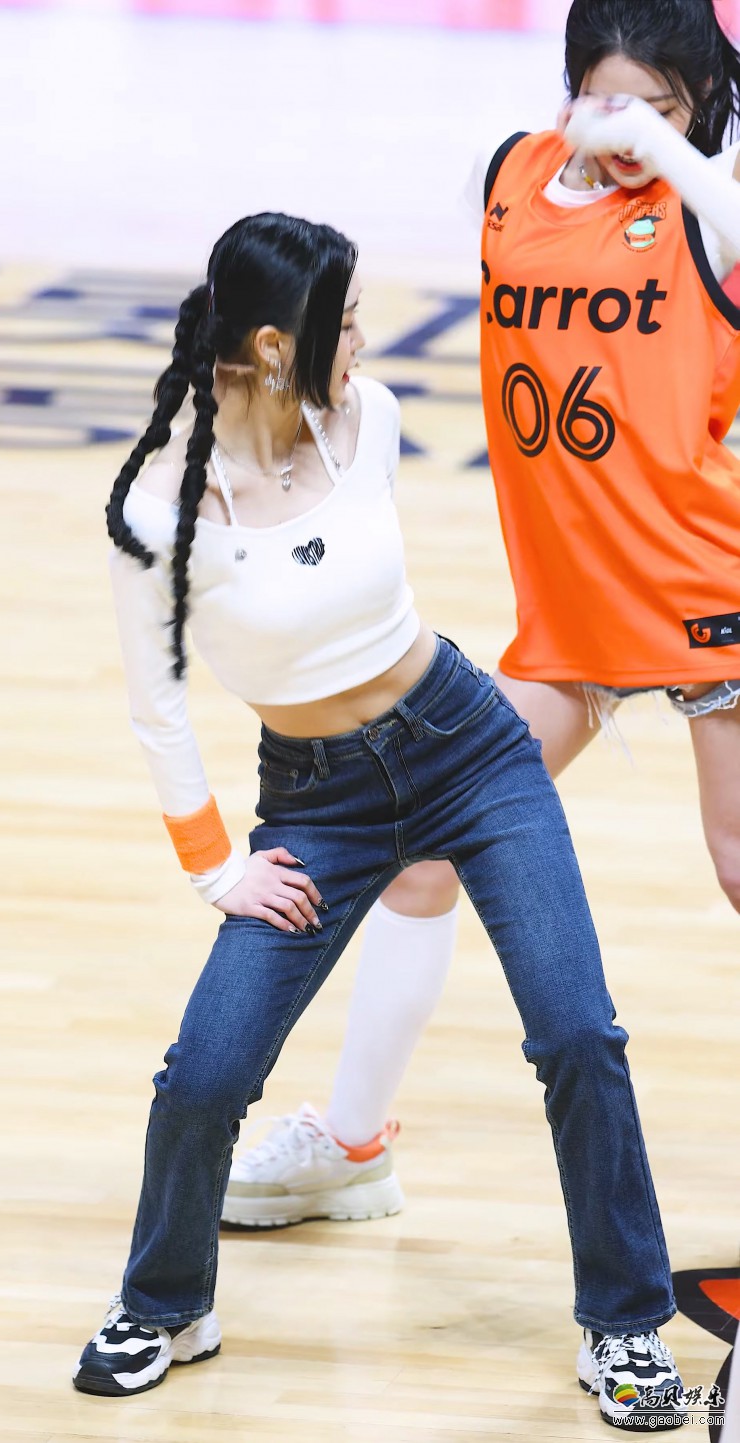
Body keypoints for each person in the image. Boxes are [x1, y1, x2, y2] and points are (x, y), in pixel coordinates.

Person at [74, 211, 684, 1428]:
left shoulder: (373, 421)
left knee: (577, 1034)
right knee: (205, 1074)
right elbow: (158, 709)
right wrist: (216, 871)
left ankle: (623, 1323)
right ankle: (166, 1303)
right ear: (270, 344)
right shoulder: (158, 510)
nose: (365, 340)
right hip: (317, 801)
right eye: (344, 322)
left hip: (468, 750)